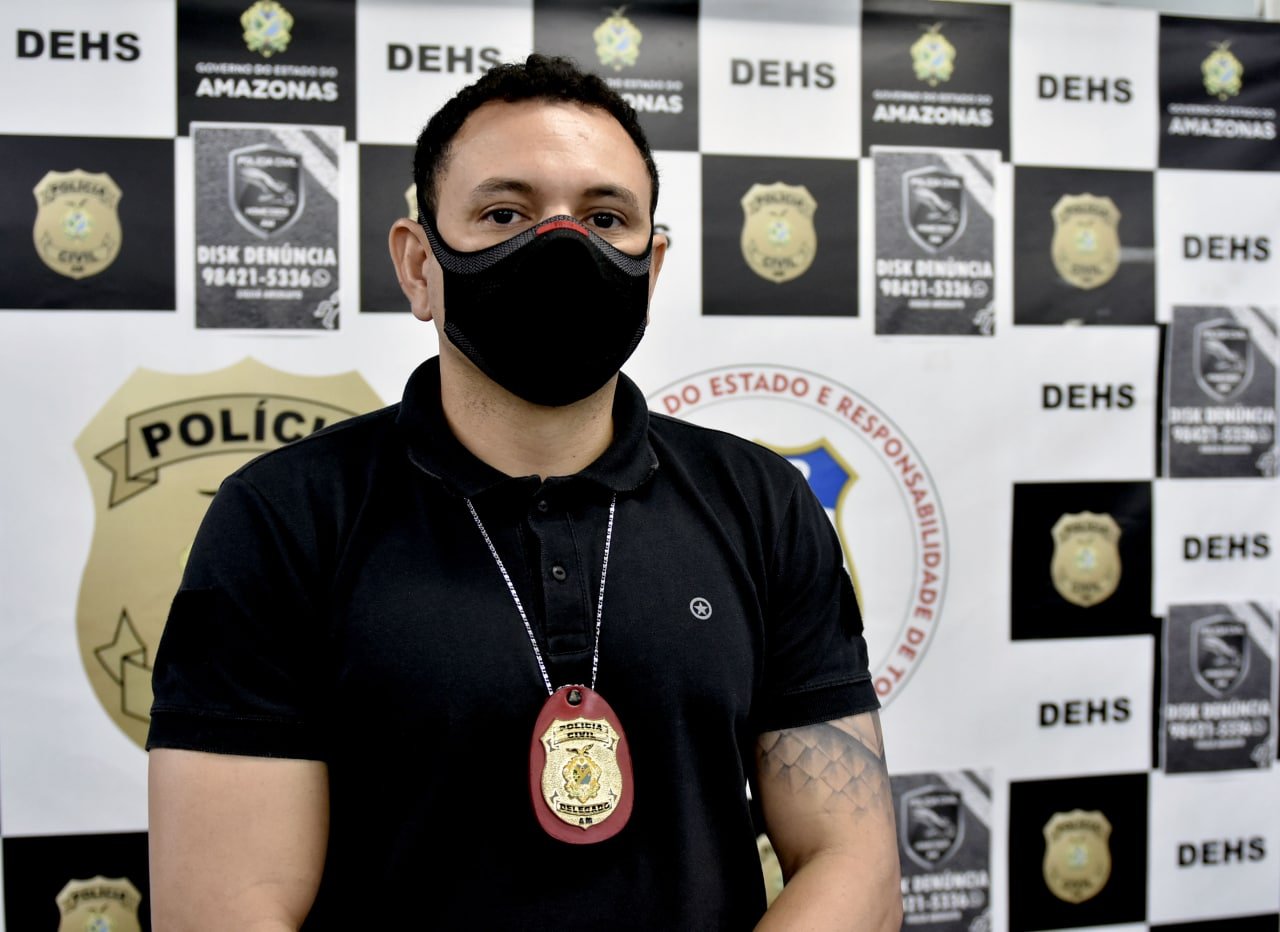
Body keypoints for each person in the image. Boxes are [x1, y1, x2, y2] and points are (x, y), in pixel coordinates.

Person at [147, 53, 902, 930]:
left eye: (605, 218)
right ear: (419, 265)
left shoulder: (761, 502)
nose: (562, 247)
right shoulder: (284, 517)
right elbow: (226, 908)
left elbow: (852, 862)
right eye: (504, 213)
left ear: (652, 267)